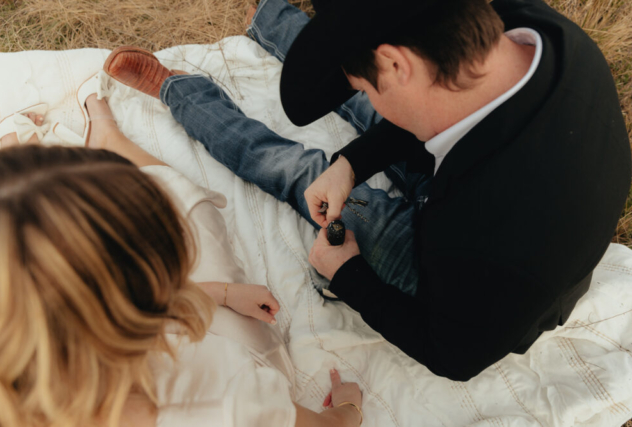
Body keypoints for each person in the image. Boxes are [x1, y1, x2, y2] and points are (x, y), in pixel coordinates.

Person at [103, 0, 631, 382]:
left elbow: (454, 357)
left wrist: (348, 275)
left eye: (367, 86)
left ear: (398, 65)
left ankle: (176, 90)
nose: (370, 104)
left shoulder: (480, 238)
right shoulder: (532, 29)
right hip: (493, 173)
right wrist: (352, 162)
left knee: (296, 171)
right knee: (364, 134)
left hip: (481, 284)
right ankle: (272, 19)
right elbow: (411, 100)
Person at [0, 82, 363, 427]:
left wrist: (222, 293)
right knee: (188, 205)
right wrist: (348, 408)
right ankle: (105, 137)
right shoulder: (220, 388)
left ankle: (23, 185)